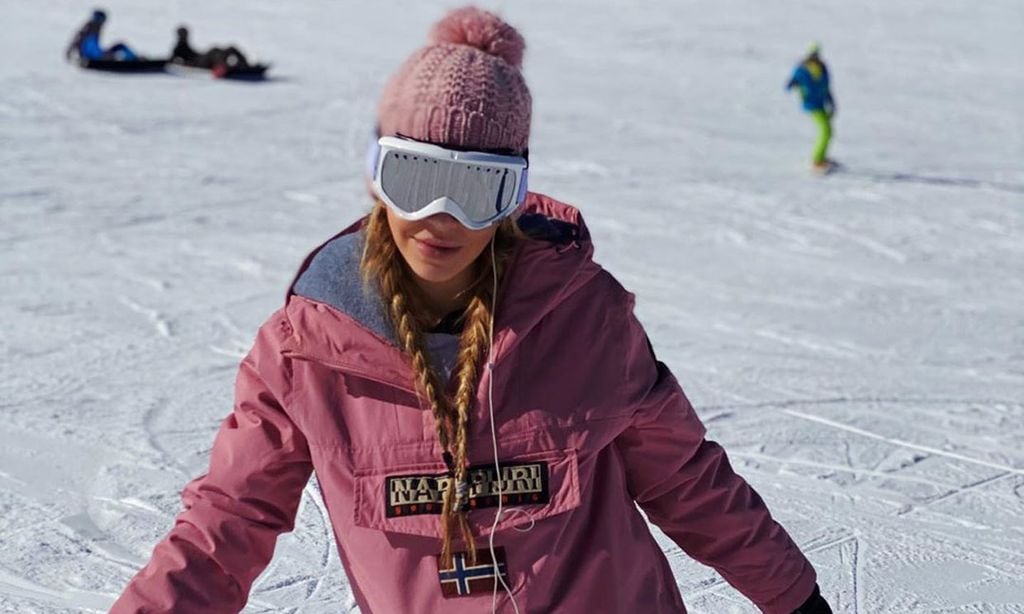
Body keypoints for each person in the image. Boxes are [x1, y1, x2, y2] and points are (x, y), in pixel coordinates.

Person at [112, 7, 833, 613]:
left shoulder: (585, 320)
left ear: (515, 195)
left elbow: (687, 482)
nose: (440, 217)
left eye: (478, 187)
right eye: (416, 176)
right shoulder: (308, 350)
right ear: (376, 178)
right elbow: (229, 520)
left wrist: (798, 601)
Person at [787, 43, 836, 172]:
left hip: (821, 104)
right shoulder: (803, 68)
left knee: (829, 131)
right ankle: (817, 160)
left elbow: (826, 87)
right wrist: (794, 83)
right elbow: (791, 83)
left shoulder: (822, 68)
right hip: (811, 104)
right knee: (825, 130)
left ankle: (822, 157)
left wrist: (830, 101)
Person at [170, 26, 250, 75]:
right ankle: (221, 67)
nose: (185, 36)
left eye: (186, 33)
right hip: (198, 63)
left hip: (201, 58)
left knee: (230, 48)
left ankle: (244, 64)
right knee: (213, 52)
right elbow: (171, 61)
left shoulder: (185, 45)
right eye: (183, 34)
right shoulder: (178, 48)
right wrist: (185, 64)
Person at [65, 9, 138, 62]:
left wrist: (70, 52)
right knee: (120, 46)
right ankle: (134, 61)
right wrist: (109, 56)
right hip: (94, 57)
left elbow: (76, 41)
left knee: (119, 46)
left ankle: (133, 59)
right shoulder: (91, 30)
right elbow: (90, 49)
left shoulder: (88, 29)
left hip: (93, 56)